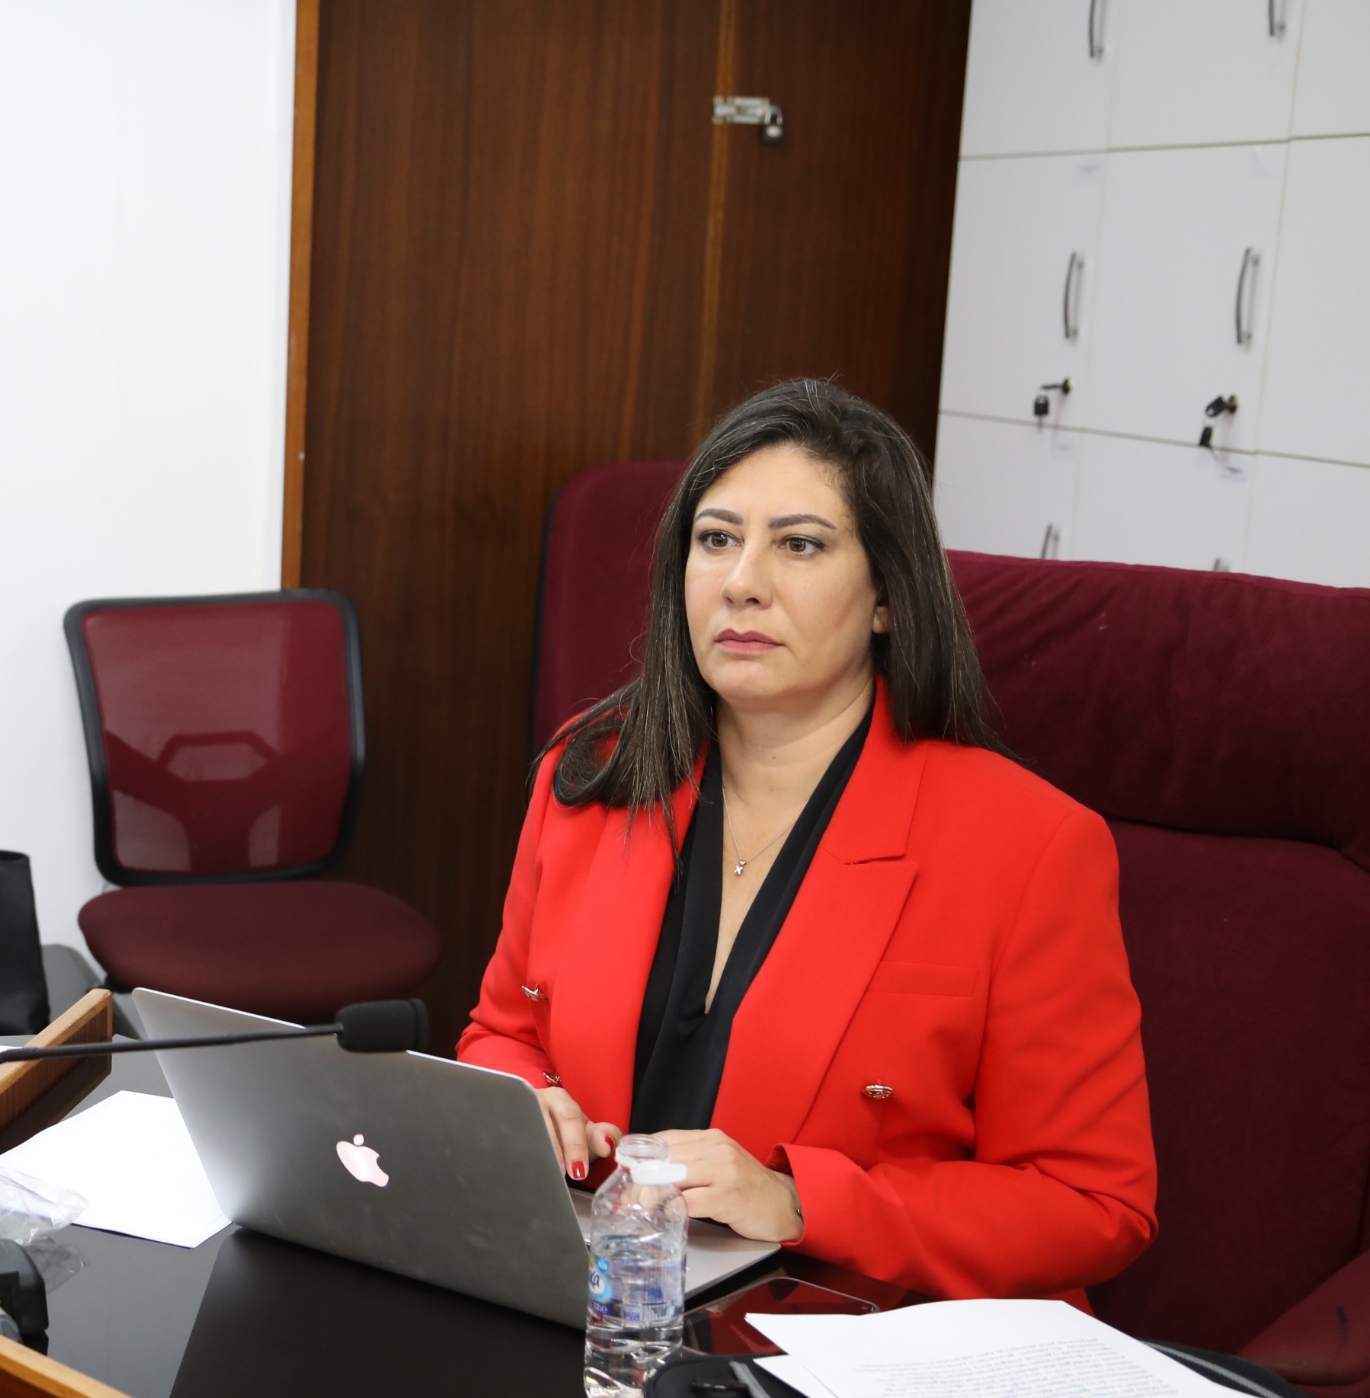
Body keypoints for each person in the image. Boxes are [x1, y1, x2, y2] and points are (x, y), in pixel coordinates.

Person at [461, 379, 1156, 1302]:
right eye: (717, 539)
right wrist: (521, 1104)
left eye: (800, 544)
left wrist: (800, 1201)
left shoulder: (1033, 845)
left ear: (886, 597)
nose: (742, 582)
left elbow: (1094, 1204)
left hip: (846, 1339)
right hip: (590, 1303)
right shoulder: (591, 773)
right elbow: (504, 1034)